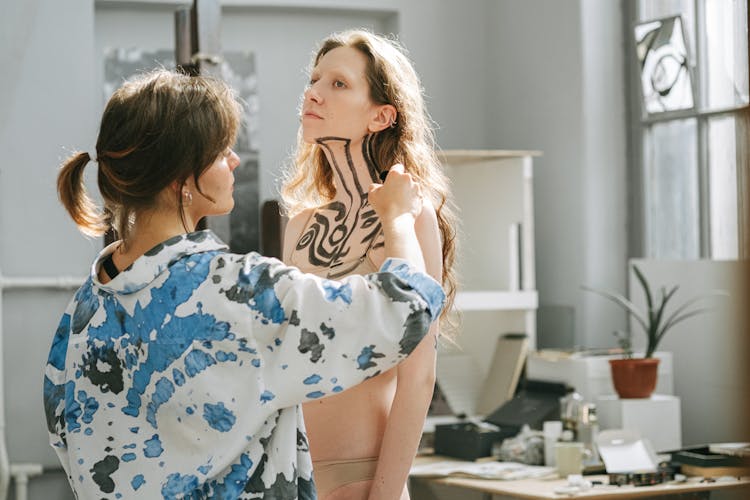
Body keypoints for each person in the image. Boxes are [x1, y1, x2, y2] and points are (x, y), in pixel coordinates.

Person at [43, 68, 445, 499]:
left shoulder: (81, 314)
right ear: (182, 180)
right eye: (221, 151)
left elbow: (69, 444)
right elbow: (405, 309)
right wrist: (399, 217)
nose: (234, 160)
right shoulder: (238, 292)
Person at [281, 29, 457, 499]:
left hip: (363, 481)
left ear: (381, 115)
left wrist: (385, 494)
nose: (313, 92)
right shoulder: (299, 226)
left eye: (338, 84)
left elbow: (418, 376)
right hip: (294, 477)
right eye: (314, 79)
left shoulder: (411, 215)